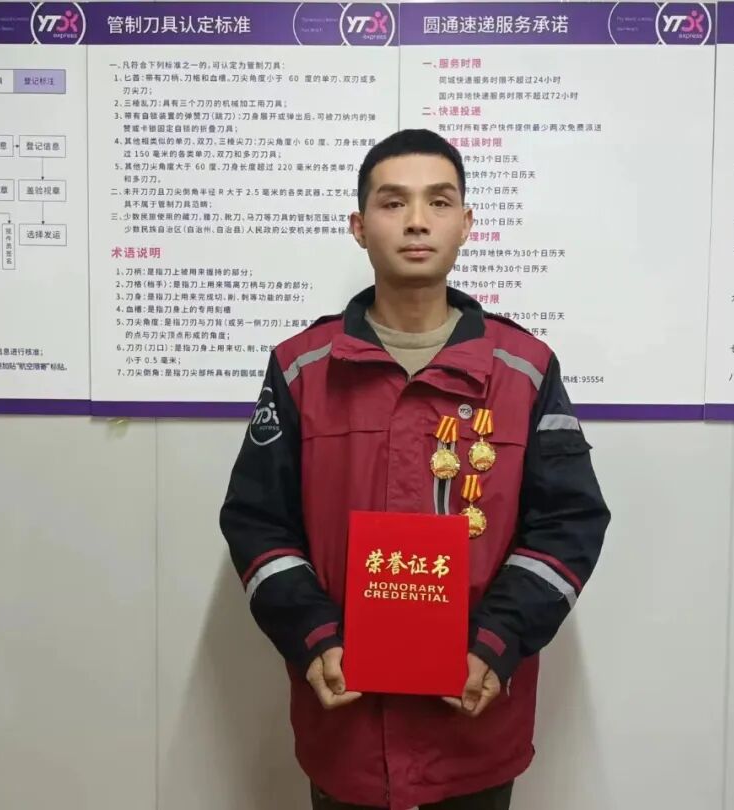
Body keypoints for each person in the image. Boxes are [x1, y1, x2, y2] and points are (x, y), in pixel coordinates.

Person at [218, 129, 611, 810]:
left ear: (466, 223)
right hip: (345, 727)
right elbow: (258, 522)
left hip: (472, 725)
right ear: (359, 226)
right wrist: (315, 638)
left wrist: (497, 641)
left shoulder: (524, 369)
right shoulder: (302, 368)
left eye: (439, 201)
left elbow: (568, 524)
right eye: (393, 202)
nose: (418, 221)